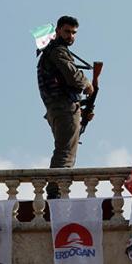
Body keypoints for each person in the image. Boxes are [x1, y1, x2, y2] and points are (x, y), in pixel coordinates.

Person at [37, 15, 94, 199]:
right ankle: (56, 193)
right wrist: (87, 84)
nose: (71, 36)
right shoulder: (57, 51)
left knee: (65, 149)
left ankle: (57, 191)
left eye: (74, 33)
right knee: (65, 154)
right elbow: (73, 77)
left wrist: (82, 109)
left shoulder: (51, 51)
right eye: (67, 31)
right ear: (58, 31)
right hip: (63, 107)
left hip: (59, 107)